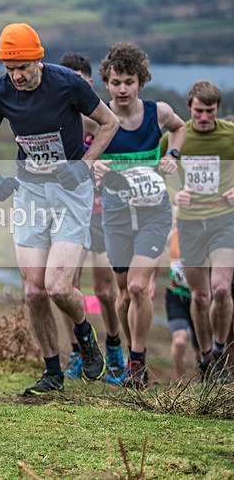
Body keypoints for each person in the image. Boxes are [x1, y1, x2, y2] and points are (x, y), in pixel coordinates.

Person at [0, 23, 120, 396]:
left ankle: (84, 331)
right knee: (34, 291)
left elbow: (109, 123)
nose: (16, 76)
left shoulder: (67, 83)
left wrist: (83, 164)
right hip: (30, 192)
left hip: (71, 192)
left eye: (22, 67)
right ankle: (52, 371)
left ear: (39, 58)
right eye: (9, 69)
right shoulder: (0, 93)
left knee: (57, 286)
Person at [94, 41, 186, 389]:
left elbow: (180, 127)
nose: (122, 89)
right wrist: (94, 166)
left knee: (139, 287)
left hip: (153, 214)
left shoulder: (157, 113)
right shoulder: (98, 119)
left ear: (140, 82)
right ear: (106, 82)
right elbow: (77, 151)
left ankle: (137, 363)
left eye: (129, 81)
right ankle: (128, 352)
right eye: (116, 81)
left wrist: (172, 156)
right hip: (116, 216)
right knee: (122, 295)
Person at [56, 52, 125, 384]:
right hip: (70, 213)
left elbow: (124, 167)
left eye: (78, 81)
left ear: (88, 83)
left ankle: (113, 346)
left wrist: (101, 170)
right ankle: (77, 352)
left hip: (102, 213)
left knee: (105, 290)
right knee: (67, 287)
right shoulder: (63, 123)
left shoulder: (103, 120)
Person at [166, 80, 234, 383]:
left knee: (221, 288)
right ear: (189, 108)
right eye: (198, 111)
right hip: (191, 223)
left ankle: (220, 349)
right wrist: (175, 193)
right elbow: (160, 171)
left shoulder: (230, 135)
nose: (204, 117)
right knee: (201, 296)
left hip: (224, 220)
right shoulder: (179, 136)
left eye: (209, 111)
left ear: (217, 109)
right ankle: (206, 355)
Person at [164, 225, 200, 380]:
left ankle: (204, 382)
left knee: (201, 350)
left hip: (200, 300)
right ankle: (181, 385)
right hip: (176, 296)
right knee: (179, 342)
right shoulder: (174, 234)